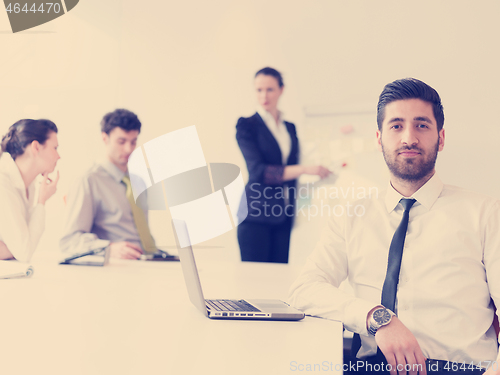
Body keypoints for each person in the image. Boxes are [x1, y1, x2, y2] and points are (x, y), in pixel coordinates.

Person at [288, 78, 500, 375]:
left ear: (440, 138)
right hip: (369, 369)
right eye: (397, 126)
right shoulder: (352, 215)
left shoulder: (486, 213)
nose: (409, 138)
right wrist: (376, 317)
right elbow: (304, 289)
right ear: (379, 139)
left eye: (422, 125)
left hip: (460, 369)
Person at [236, 67, 331, 263]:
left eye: (269, 89)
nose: (264, 95)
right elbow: (259, 172)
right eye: (259, 90)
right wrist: (305, 170)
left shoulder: (289, 128)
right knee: (254, 282)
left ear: (281, 90)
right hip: (255, 215)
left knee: (277, 282)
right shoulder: (247, 125)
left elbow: (293, 165)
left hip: (283, 214)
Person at [60, 109, 157, 260]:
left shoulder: (139, 182)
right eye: (121, 141)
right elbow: (70, 241)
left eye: (133, 142)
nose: (129, 149)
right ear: (105, 138)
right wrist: (108, 248)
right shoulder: (88, 181)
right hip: (117, 266)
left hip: (150, 260)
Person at [0, 119, 60, 262]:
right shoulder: (3, 182)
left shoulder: (29, 185)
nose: (59, 156)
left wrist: (8, 249)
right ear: (36, 147)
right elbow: (24, 251)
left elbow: (24, 245)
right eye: (55, 148)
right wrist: (41, 201)